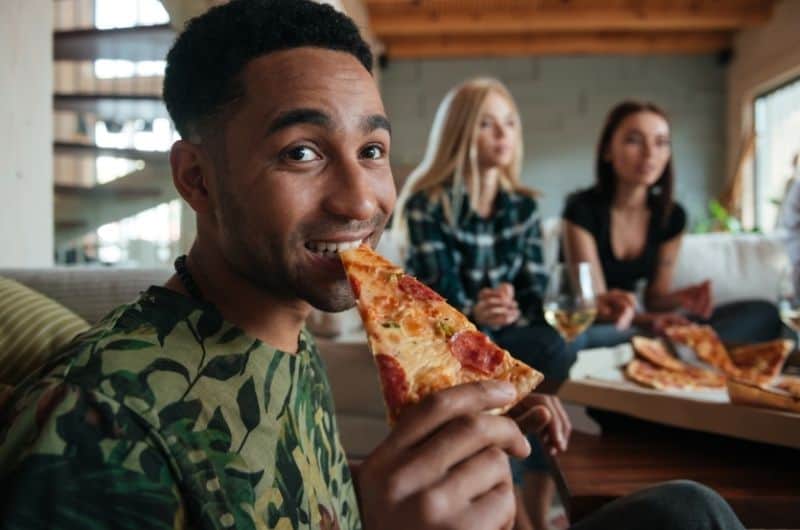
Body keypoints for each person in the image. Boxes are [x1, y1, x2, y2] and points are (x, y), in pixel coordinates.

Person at [0, 3, 745, 530]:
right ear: (197, 179)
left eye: (373, 150)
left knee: (689, 508)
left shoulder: (287, 328)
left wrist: (418, 475)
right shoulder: (92, 423)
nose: (363, 199)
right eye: (302, 152)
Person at [393, 78, 574, 530]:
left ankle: (531, 505)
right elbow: (434, 303)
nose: (503, 134)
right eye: (487, 124)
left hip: (510, 334)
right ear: (460, 134)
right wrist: (479, 310)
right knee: (499, 360)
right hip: (453, 336)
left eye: (509, 123)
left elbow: (537, 295)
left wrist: (511, 309)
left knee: (553, 346)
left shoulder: (524, 208)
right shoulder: (424, 203)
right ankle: (515, 507)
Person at [562, 100, 782, 349]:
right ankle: (680, 349)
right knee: (574, 341)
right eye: (634, 140)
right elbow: (595, 305)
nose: (649, 153)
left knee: (762, 312)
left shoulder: (672, 215)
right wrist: (653, 321)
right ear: (608, 150)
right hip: (601, 324)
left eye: (661, 142)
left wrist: (682, 298)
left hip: (641, 324)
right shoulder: (580, 210)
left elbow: (654, 297)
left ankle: (676, 349)